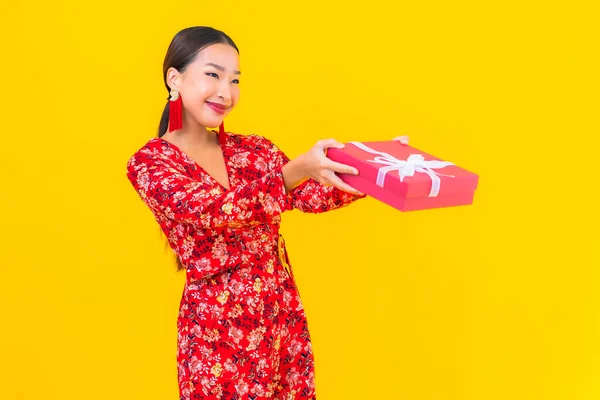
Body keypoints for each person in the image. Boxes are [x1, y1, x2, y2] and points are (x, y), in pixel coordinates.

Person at [126, 26, 409, 400]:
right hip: (217, 338)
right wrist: (295, 171)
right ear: (174, 78)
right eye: (213, 74)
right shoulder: (150, 163)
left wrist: (380, 168)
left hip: (282, 325)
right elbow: (214, 210)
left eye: (235, 80)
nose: (226, 92)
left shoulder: (255, 151)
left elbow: (311, 195)